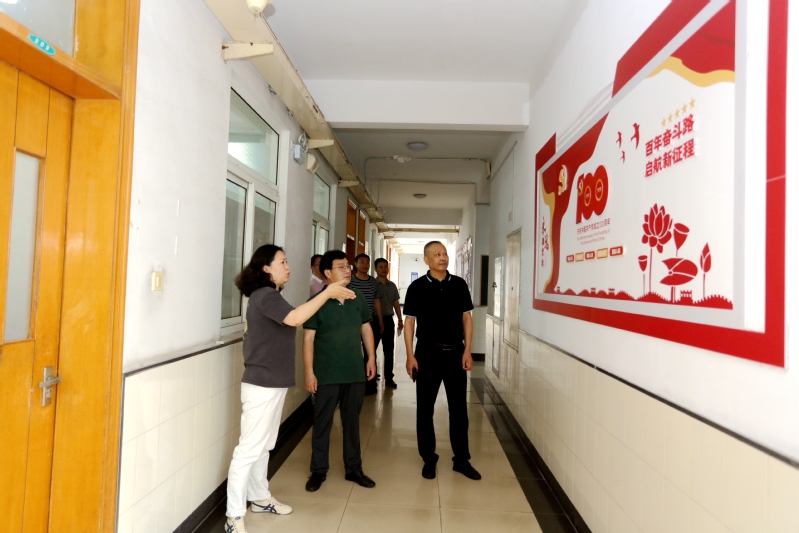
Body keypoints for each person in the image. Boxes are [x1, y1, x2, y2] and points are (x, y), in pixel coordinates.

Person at [224, 245, 356, 533]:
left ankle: (259, 497)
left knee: (264, 446)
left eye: (287, 261)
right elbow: (296, 318)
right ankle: (233, 515)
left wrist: (327, 294)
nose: (288, 267)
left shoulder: (271, 295)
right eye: (282, 262)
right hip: (261, 385)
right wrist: (327, 293)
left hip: (272, 383)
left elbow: (294, 316)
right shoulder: (265, 295)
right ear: (266, 268)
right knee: (248, 450)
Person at [402, 241, 482, 481]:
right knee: (425, 409)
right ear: (426, 260)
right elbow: (409, 322)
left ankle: (461, 459)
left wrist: (468, 350)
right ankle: (429, 458)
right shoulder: (417, 287)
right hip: (427, 353)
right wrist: (410, 355)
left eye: (445, 253)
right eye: (437, 254)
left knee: (459, 410)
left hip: (455, 353)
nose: (442, 257)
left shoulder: (459, 284)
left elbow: (467, 318)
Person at [302, 250, 378, 492]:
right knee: (322, 422)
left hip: (354, 372)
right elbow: (308, 340)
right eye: (341, 267)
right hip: (326, 374)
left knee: (352, 423)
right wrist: (309, 372)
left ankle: (354, 469)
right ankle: (318, 470)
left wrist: (372, 358)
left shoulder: (357, 298)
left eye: (348, 266)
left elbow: (366, 329)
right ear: (327, 273)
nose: (347, 271)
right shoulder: (317, 302)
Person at [347, 253, 383, 395]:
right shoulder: (351, 281)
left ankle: (370, 384)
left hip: (370, 320)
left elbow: (376, 300)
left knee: (370, 352)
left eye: (367, 262)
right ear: (355, 264)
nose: (365, 265)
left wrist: (380, 319)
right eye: (362, 262)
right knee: (354, 352)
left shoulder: (373, 281)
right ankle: (354, 383)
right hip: (353, 321)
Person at [374, 258, 403, 388]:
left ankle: (389, 377)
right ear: (376, 269)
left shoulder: (392, 286)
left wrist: (400, 319)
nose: (384, 269)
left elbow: (396, 303)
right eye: (380, 267)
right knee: (371, 349)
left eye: (385, 267)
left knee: (389, 350)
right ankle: (371, 375)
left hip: (388, 320)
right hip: (374, 320)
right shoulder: (372, 285)